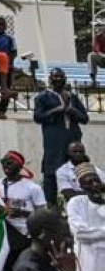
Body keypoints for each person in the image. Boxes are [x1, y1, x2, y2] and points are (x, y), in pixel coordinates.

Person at [0, 150, 48, 271]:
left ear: (20, 166)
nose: (6, 165)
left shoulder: (32, 188)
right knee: (4, 269)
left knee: (21, 268)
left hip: (24, 234)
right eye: (4, 162)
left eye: (10, 162)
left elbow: (42, 214)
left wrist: (22, 213)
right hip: (3, 233)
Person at [33, 67, 88, 204]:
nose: (58, 80)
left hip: (73, 139)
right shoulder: (43, 97)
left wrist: (71, 110)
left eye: (60, 77)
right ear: (50, 79)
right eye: (55, 77)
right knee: (51, 173)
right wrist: (57, 110)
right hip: (54, 140)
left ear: (65, 79)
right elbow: (38, 117)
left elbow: (84, 118)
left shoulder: (72, 97)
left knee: (78, 171)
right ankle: (50, 206)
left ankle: (81, 202)